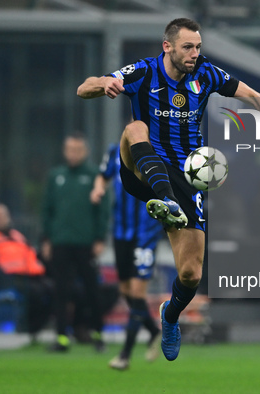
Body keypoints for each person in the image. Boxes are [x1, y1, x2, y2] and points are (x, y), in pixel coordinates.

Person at [77, 17, 260, 361]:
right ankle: (164, 200)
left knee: (191, 274)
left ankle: (170, 315)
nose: (194, 53)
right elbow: (84, 88)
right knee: (135, 127)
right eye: (187, 47)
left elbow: (251, 95)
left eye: (198, 47)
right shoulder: (144, 72)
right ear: (168, 47)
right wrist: (104, 83)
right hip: (141, 169)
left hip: (187, 177)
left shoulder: (205, 74)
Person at [91, 143, 163, 370]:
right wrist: (98, 188)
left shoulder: (160, 151)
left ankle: (125, 355)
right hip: (121, 233)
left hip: (146, 233)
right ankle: (153, 331)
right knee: (126, 292)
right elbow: (102, 176)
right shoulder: (114, 151)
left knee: (136, 290)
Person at [42, 133, 110, 352]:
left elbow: (103, 210)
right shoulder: (56, 176)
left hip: (86, 243)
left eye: (77, 150)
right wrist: (47, 238)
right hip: (61, 241)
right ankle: (62, 337)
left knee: (92, 290)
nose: (73, 154)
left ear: (85, 151)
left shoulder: (94, 176)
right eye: (69, 149)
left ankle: (98, 334)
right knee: (61, 291)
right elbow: (47, 209)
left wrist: (100, 237)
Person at [0, 203, 52, 336]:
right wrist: (3, 276)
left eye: (2, 216)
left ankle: (35, 328)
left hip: (32, 277)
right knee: (36, 293)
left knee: (56, 290)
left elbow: (32, 256)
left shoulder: (17, 236)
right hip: (7, 281)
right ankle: (26, 329)